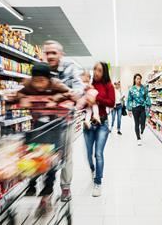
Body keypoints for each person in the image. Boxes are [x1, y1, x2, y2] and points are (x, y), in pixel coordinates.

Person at [17, 63, 76, 201]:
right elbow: (19, 94)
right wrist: (22, 100)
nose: (38, 84)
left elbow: (70, 94)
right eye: (35, 80)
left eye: (42, 80)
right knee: (33, 155)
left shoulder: (56, 85)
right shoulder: (29, 85)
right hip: (38, 125)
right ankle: (31, 185)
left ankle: (48, 187)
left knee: (51, 158)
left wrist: (57, 100)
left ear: (48, 80)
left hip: (54, 126)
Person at [43, 40, 85, 202]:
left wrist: (64, 93)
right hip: (45, 121)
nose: (51, 56)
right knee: (45, 154)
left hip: (66, 120)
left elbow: (78, 90)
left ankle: (65, 187)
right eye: (47, 53)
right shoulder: (42, 69)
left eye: (54, 52)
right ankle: (47, 189)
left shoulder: (70, 68)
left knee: (66, 154)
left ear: (61, 54)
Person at [83, 62, 115, 197]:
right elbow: (82, 103)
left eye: (99, 70)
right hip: (88, 124)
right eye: (94, 69)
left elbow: (111, 102)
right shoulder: (89, 85)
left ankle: (98, 183)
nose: (96, 72)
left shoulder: (108, 86)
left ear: (104, 72)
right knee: (89, 154)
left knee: (98, 154)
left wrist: (96, 98)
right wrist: (86, 100)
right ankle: (93, 170)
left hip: (102, 123)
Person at [127, 74, 151, 146]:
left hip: (143, 107)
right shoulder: (131, 89)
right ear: (134, 79)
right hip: (135, 108)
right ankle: (138, 138)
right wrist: (129, 110)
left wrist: (148, 105)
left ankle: (142, 130)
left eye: (140, 78)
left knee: (143, 123)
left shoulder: (144, 88)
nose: (139, 80)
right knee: (136, 123)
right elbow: (129, 100)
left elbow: (147, 97)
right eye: (137, 78)